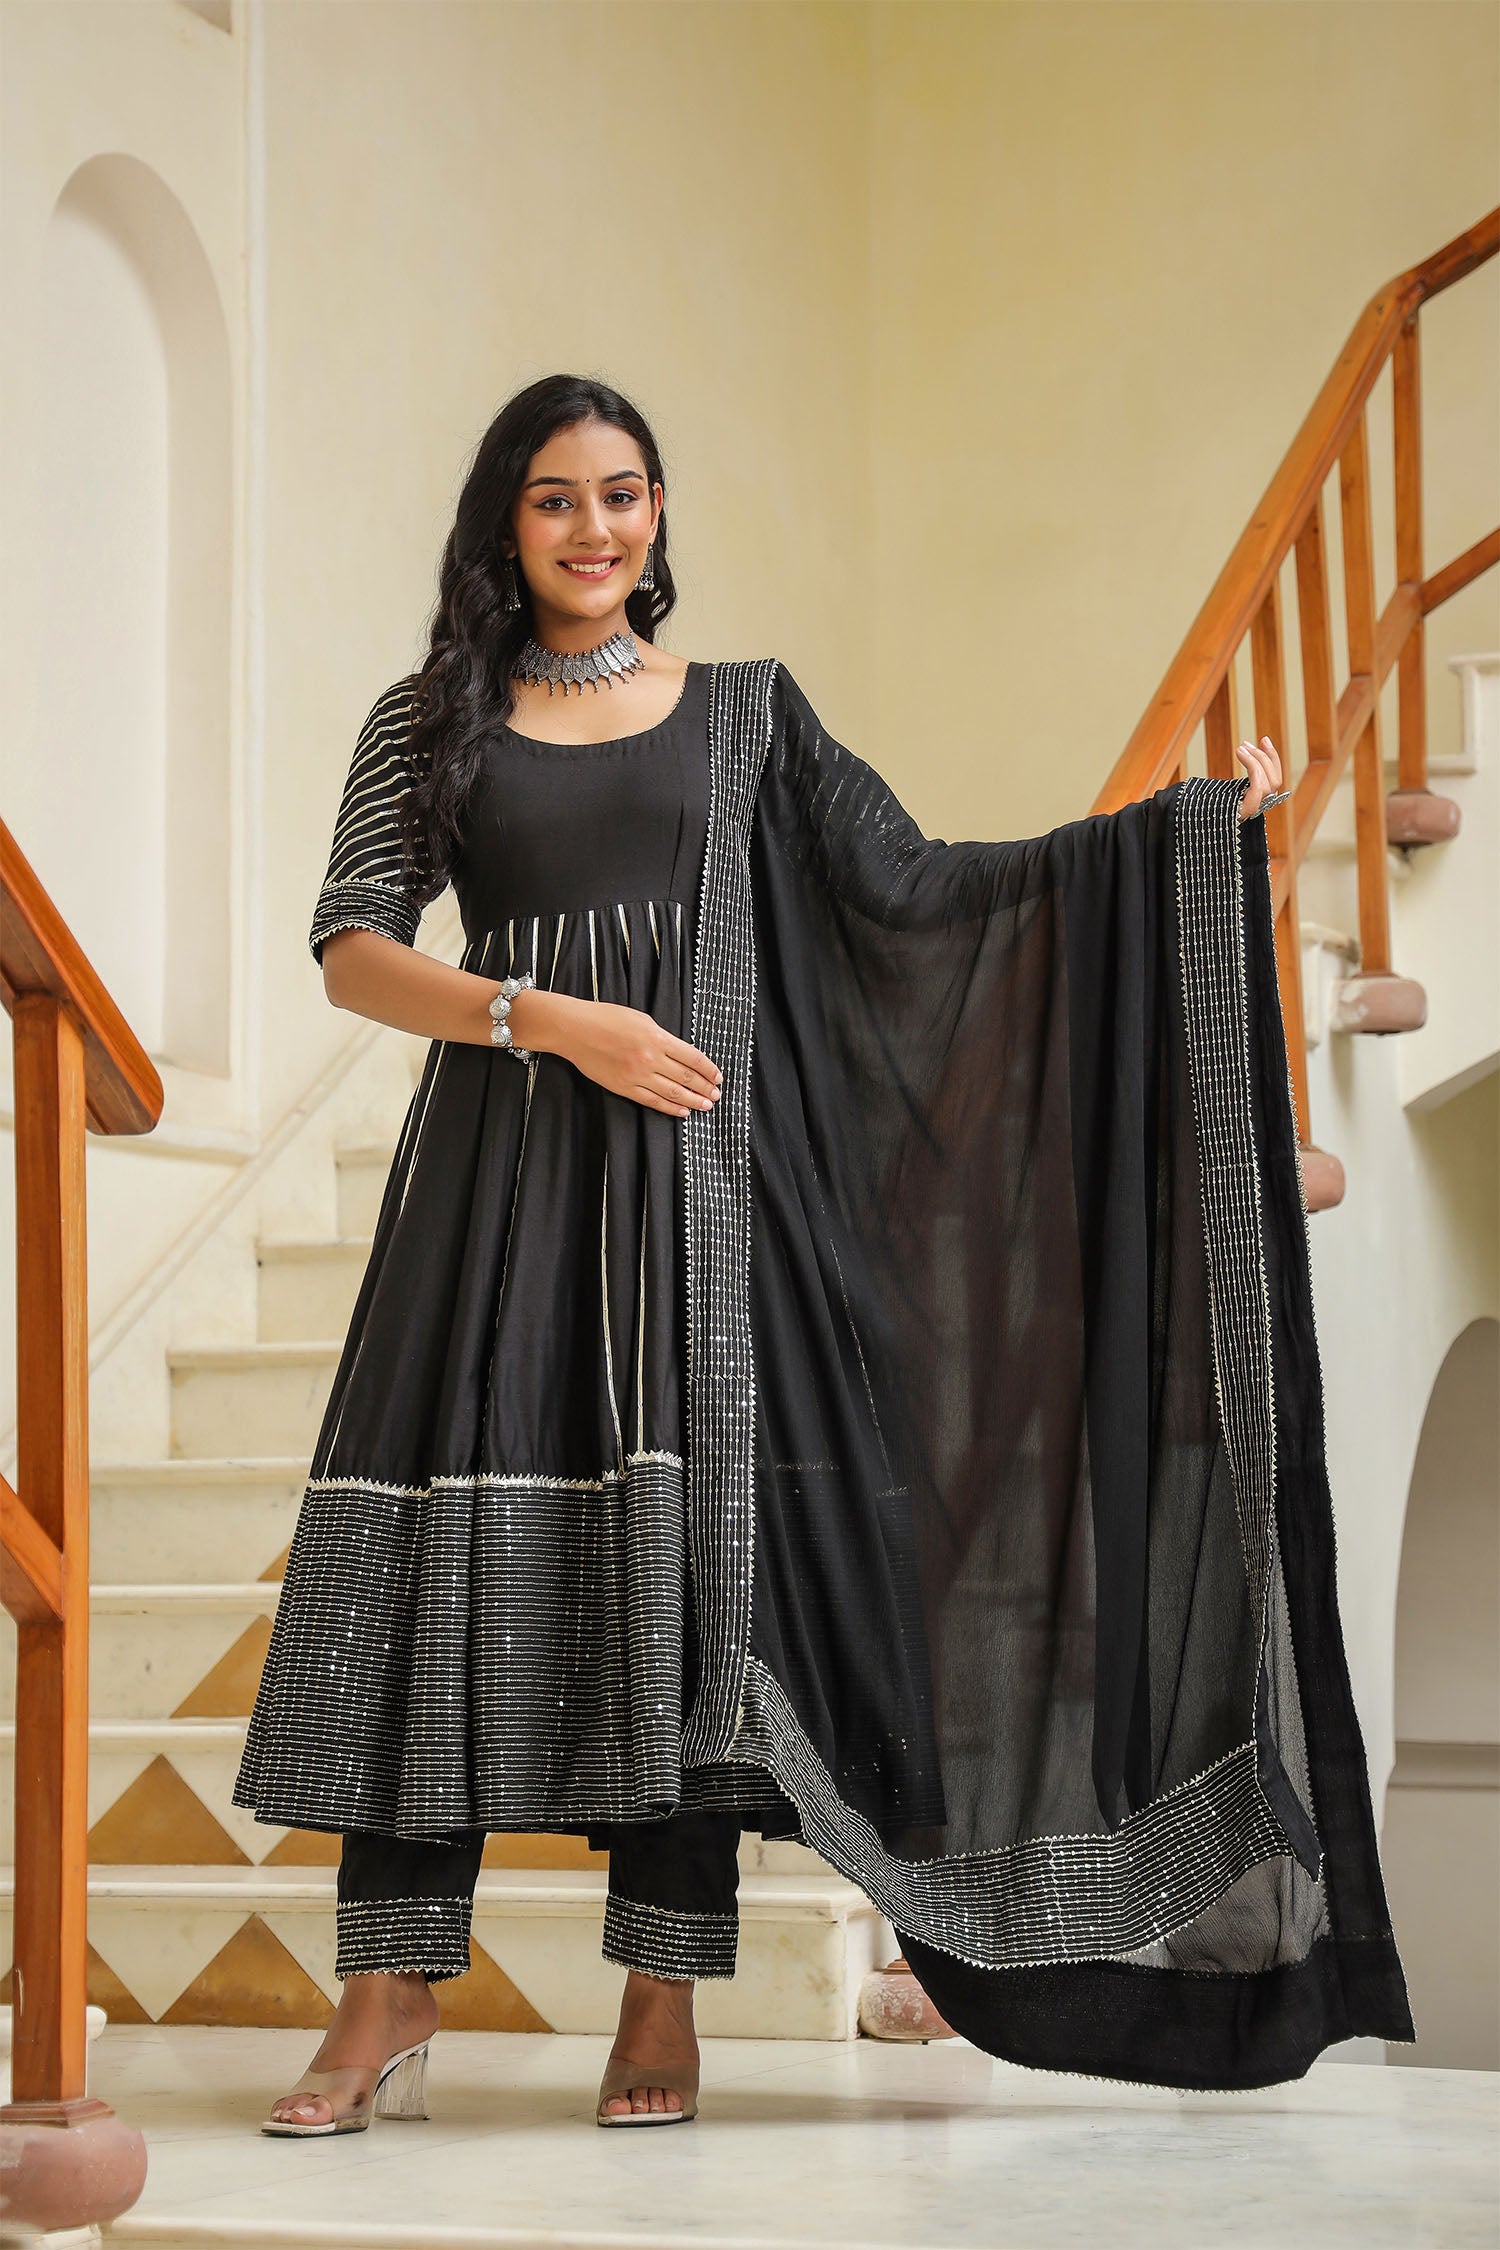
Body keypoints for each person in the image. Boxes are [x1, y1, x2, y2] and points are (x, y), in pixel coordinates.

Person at [236, 373, 1413, 2135]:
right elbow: (351, 949)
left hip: (708, 1212)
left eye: (623, 493)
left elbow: (925, 888)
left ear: (657, 512)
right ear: (505, 523)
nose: (593, 527)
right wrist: (547, 1016)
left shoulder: (749, 718)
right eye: (555, 499)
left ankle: (660, 1997)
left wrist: (1174, 841)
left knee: (692, 1590)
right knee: (437, 1583)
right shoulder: (430, 722)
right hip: (497, 1196)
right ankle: (388, 1992)